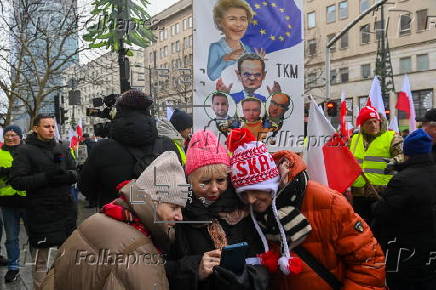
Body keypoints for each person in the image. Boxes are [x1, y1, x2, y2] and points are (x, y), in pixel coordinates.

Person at [227, 128, 386, 290]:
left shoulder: (329, 202)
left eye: (256, 190)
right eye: (243, 194)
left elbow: (369, 262)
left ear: (271, 182)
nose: (251, 200)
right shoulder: (248, 214)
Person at [39, 151, 189, 290]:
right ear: (152, 201)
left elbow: (55, 276)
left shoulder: (98, 219)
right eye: (174, 207)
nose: (180, 216)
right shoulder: (141, 250)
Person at [168, 130, 269, 290]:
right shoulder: (178, 215)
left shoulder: (242, 210)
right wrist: (196, 268)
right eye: (205, 182)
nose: (214, 189)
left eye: (220, 180)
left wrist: (244, 278)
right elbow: (165, 269)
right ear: (190, 181)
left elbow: (262, 262)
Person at [9, 114, 78, 289]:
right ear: (35, 128)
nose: (51, 130)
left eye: (53, 127)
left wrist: (69, 176)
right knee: (41, 260)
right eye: (46, 126)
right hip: (40, 212)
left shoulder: (61, 147)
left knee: (67, 258)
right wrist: (46, 178)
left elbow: (75, 170)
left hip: (64, 211)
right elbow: (17, 181)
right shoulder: (25, 151)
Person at [79, 90, 179, 208]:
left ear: (118, 112)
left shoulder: (102, 149)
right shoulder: (168, 145)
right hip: (158, 222)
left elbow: (86, 188)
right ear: (147, 111)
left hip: (116, 221)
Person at [373, 128, 436, 290]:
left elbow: (382, 212)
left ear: (408, 153)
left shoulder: (402, 181)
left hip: (407, 251)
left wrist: (377, 203)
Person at [349, 105, 403, 224]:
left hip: (381, 192)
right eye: (369, 123)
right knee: (362, 227)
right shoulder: (354, 139)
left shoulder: (392, 137)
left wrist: (395, 161)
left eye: (375, 121)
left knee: (381, 227)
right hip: (359, 193)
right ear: (362, 125)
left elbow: (404, 155)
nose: (373, 125)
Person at [0, 126, 28, 282]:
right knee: (11, 237)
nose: (10, 137)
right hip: (8, 202)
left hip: (28, 201)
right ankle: (13, 267)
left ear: (20, 136)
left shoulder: (28, 151)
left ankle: (40, 264)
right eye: (7, 135)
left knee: (35, 235)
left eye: (13, 134)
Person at [207, 0, 254, 81]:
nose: (238, 24)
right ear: (220, 22)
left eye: (243, 19)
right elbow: (212, 76)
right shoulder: (216, 48)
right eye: (232, 19)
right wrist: (226, 58)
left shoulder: (247, 49)